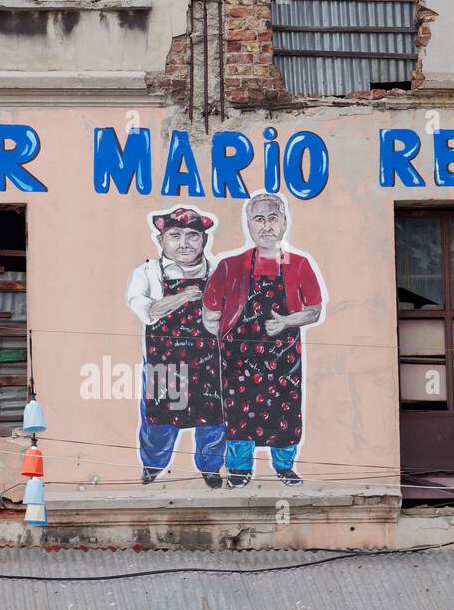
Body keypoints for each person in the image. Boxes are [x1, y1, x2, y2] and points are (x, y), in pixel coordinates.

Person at [202, 191, 326, 488]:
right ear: (249, 224)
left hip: (284, 358)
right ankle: (239, 471)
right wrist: (224, 338)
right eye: (259, 219)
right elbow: (209, 312)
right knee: (239, 413)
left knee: (285, 411)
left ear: (284, 223)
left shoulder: (299, 264)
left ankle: (284, 467)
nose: (266, 226)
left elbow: (314, 311)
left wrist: (285, 321)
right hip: (238, 360)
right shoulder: (230, 266)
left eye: (273, 218)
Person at [126, 207, 226, 488]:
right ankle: (152, 466)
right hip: (165, 362)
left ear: (204, 240)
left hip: (209, 361)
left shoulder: (218, 271)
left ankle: (211, 468)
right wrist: (182, 297)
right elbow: (144, 309)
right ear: (161, 240)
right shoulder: (147, 273)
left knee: (213, 421)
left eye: (193, 235)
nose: (184, 243)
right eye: (175, 235)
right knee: (159, 420)